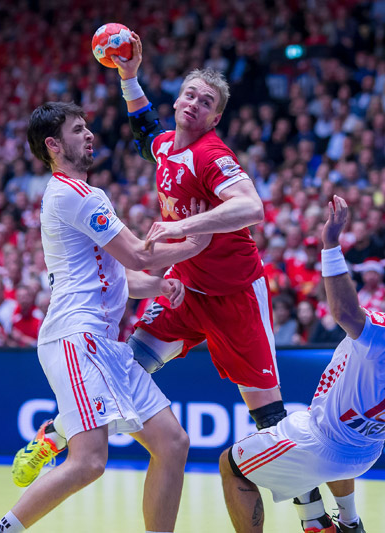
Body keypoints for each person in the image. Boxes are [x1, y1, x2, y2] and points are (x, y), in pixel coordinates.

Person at [0, 102, 211, 533]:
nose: (89, 134)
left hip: (104, 346)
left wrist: (159, 286)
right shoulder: (74, 194)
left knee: (173, 443)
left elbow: (119, 276)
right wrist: (196, 240)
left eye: (87, 127)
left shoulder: (77, 194)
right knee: (89, 461)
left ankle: (54, 434)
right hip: (76, 338)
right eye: (77, 130)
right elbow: (136, 254)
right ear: (54, 146)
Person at [219, 196, 385, 533]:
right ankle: (347, 521)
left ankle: (327, 520)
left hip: (321, 443)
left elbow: (345, 312)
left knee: (231, 465)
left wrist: (331, 245)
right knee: (316, 426)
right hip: (364, 454)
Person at [115, 32, 289, 438]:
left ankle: (303, 486)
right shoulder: (165, 148)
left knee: (269, 419)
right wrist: (129, 76)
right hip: (185, 288)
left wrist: (182, 226)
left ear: (215, 119)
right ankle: (58, 438)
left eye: (206, 102)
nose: (195, 103)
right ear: (177, 101)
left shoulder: (211, 155)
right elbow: (145, 132)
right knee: (124, 370)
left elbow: (252, 208)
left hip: (236, 295)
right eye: (190, 95)